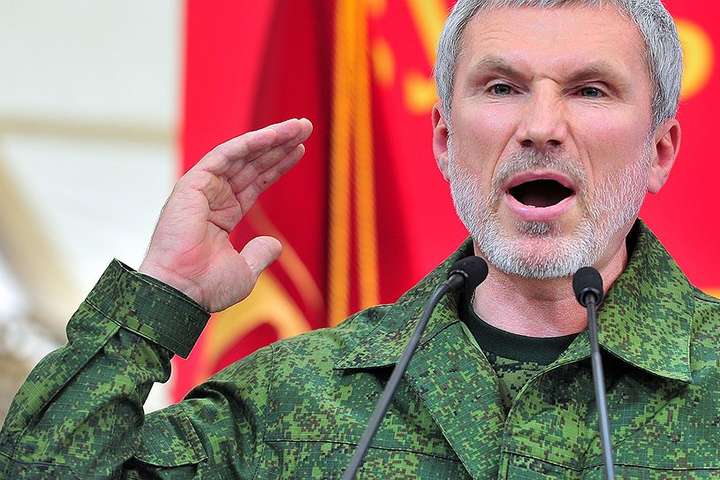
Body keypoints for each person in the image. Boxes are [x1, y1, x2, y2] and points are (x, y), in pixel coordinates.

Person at [2, 0, 718, 478]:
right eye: (502, 87)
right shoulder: (297, 397)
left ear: (659, 152)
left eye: (590, 90)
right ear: (444, 140)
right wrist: (160, 300)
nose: (540, 126)